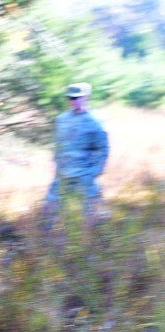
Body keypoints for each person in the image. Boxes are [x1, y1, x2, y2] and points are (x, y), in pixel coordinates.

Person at [42, 82, 109, 231]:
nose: (73, 101)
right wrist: (57, 163)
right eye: (71, 98)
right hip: (63, 174)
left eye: (77, 97)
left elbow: (103, 148)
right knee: (49, 207)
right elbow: (58, 144)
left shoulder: (95, 120)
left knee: (92, 213)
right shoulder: (62, 119)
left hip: (84, 174)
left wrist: (95, 171)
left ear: (86, 97)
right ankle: (45, 241)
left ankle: (95, 242)